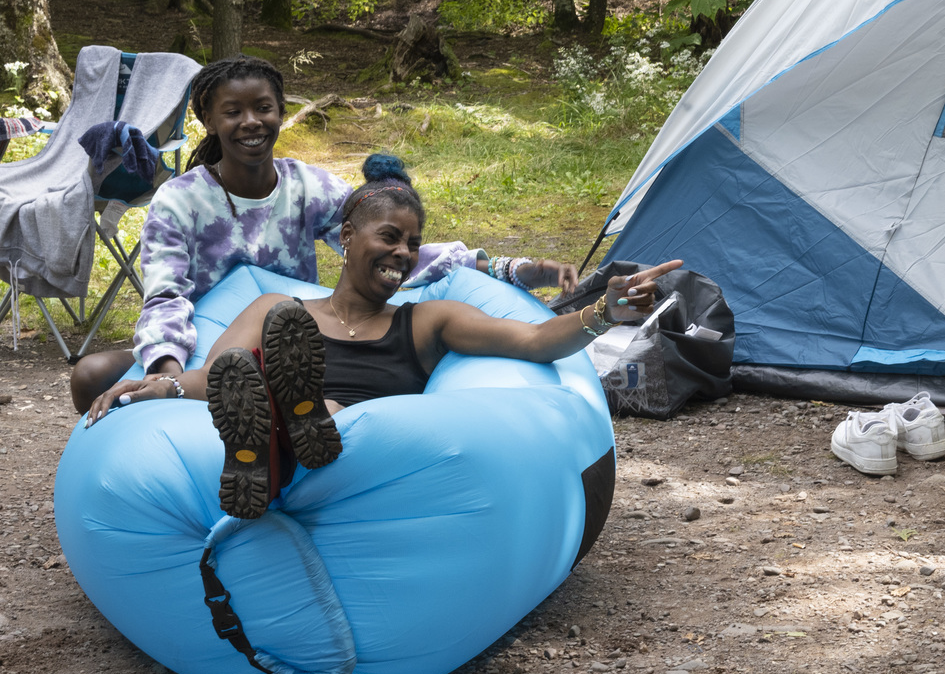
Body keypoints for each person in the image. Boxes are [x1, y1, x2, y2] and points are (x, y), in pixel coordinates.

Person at [87, 156, 680, 521]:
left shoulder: (427, 321)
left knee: (332, 412)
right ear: (346, 237)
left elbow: (533, 342)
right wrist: (151, 389)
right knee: (246, 376)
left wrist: (606, 310)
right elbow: (212, 380)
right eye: (389, 237)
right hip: (270, 415)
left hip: (359, 448)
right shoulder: (276, 307)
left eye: (411, 244)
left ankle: (288, 431)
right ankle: (273, 436)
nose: (401, 253)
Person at [67, 56, 581, 414]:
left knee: (303, 388)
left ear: (280, 111)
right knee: (90, 374)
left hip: (293, 341)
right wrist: (167, 368)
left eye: (263, 108)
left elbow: (382, 247)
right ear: (208, 119)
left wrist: (509, 268)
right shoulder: (180, 199)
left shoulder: (305, 185)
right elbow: (166, 295)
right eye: (233, 112)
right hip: (206, 345)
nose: (251, 122)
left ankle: (279, 426)